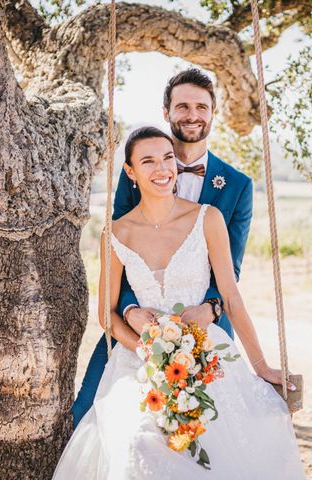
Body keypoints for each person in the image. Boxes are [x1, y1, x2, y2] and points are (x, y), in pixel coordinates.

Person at [53, 127, 305, 479]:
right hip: (138, 361)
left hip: (206, 354)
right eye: (149, 161)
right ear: (130, 172)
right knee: (137, 442)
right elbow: (106, 315)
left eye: (168, 158)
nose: (162, 169)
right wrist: (147, 350)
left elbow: (231, 297)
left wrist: (262, 367)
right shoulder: (116, 233)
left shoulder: (207, 218)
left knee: (219, 448)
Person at [71, 69, 254, 428]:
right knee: (88, 413)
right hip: (137, 326)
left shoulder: (236, 186)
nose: (192, 115)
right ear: (166, 112)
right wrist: (131, 309)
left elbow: (230, 270)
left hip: (203, 323)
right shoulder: (136, 173)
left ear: (213, 113)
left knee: (212, 427)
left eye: (201, 106)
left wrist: (212, 309)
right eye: (182, 106)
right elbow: (123, 249)